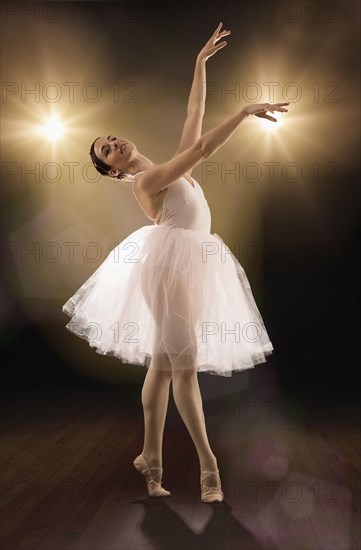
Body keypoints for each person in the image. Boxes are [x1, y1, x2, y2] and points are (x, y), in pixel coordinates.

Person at [62, 22, 289, 503]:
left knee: (164, 367)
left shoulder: (161, 166)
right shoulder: (149, 182)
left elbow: (195, 115)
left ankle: (151, 461)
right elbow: (204, 147)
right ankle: (209, 469)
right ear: (113, 172)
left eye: (111, 138)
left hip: (188, 262)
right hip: (165, 267)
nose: (114, 142)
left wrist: (199, 64)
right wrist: (246, 111)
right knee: (183, 368)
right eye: (107, 151)